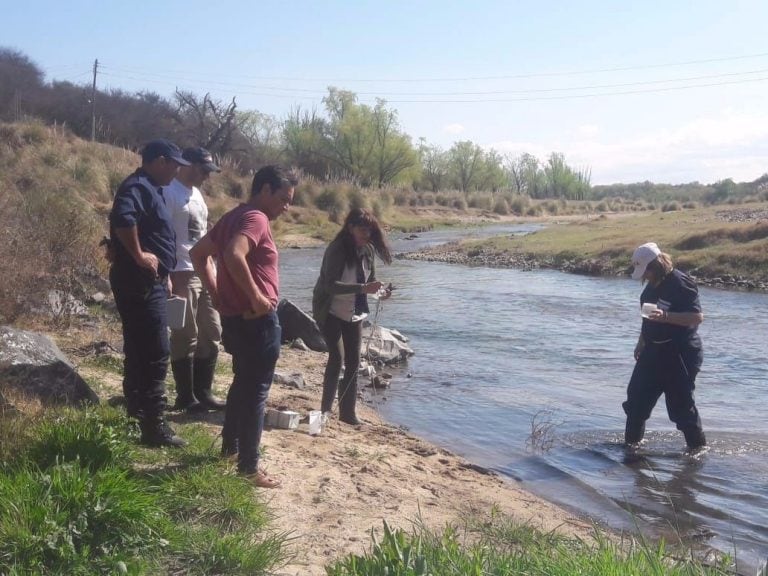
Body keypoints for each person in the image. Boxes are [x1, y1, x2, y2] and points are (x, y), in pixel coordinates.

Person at [190, 165, 297, 487]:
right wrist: (258, 298)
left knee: (242, 384)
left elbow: (199, 255)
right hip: (256, 321)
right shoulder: (256, 218)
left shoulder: (233, 216)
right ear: (264, 189)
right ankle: (249, 468)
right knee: (256, 392)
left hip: (235, 318)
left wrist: (218, 295)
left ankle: (230, 449)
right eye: (283, 198)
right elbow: (234, 255)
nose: (286, 206)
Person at [109, 139, 190, 447]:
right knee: (156, 351)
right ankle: (154, 427)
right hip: (139, 282)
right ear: (159, 161)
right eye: (174, 164)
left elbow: (133, 226)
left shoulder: (149, 188)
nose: (177, 170)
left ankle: (136, 412)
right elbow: (123, 219)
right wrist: (140, 255)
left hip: (148, 280)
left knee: (140, 347)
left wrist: (163, 273)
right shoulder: (138, 186)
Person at [623, 242, 707, 451]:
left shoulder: (681, 283)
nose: (645, 276)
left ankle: (697, 455)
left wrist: (667, 317)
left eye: (647, 271)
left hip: (679, 354)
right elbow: (647, 319)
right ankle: (631, 450)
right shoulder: (650, 287)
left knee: (681, 408)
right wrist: (641, 343)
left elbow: (697, 317)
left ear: (657, 265)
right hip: (652, 351)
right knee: (636, 402)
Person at [312, 208, 393, 426]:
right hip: (329, 310)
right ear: (350, 228)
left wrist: (380, 293)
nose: (366, 234)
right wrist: (364, 288)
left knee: (354, 362)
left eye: (369, 230)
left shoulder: (367, 250)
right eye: (361, 229)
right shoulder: (337, 249)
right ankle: (324, 413)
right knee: (337, 358)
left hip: (354, 312)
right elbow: (330, 286)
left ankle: (347, 414)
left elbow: (371, 282)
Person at [164, 147, 225, 413]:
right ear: (187, 165)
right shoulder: (169, 192)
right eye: (204, 170)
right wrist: (167, 273)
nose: (206, 177)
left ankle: (204, 392)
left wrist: (213, 266)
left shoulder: (198, 194)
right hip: (180, 271)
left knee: (212, 332)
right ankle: (185, 396)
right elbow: (161, 235)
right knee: (184, 334)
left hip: (204, 270)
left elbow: (203, 234)